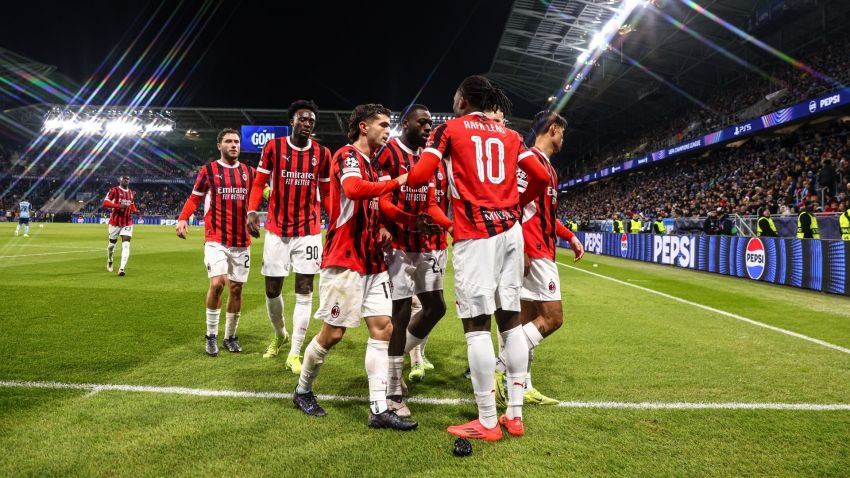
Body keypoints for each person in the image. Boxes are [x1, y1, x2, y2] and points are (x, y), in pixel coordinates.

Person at [406, 75, 550, 440]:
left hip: (476, 235)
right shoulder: (511, 135)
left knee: (476, 327)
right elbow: (540, 178)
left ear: (462, 100)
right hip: (511, 232)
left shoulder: (449, 129)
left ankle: (487, 420)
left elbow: (419, 177)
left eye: (455, 97)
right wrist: (515, 204)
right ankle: (514, 415)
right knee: (511, 324)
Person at [292, 103, 417, 431]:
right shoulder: (347, 156)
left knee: (383, 328)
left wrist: (396, 223)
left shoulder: (375, 166)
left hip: (373, 261)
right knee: (333, 333)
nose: (388, 130)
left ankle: (378, 409)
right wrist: (399, 181)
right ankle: (302, 390)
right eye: (383, 124)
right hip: (345, 259)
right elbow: (353, 189)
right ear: (364, 126)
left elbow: (379, 203)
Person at [495, 110, 584, 407]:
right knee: (553, 318)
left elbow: (546, 214)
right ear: (553, 129)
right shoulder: (529, 161)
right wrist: (520, 248)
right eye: (563, 133)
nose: (563, 140)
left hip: (540, 247)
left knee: (525, 322)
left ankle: (523, 385)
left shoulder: (549, 168)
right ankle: (497, 366)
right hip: (534, 250)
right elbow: (514, 207)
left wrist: (569, 236)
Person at [246, 100, 332, 374]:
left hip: (309, 231)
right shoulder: (274, 147)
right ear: (291, 121)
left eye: (311, 121)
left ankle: (295, 352)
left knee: (304, 289)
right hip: (277, 230)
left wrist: (334, 221)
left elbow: (327, 191)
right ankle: (280, 334)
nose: (307, 123)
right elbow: (259, 182)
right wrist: (251, 210)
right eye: (302, 119)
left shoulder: (322, 153)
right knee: (272, 290)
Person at [375, 104, 449, 417]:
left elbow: (430, 202)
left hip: (424, 243)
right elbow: (382, 199)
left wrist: (450, 226)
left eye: (430, 123)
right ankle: (393, 390)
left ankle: (390, 363)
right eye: (422, 122)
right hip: (398, 245)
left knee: (436, 307)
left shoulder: (426, 159)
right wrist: (409, 221)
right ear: (405, 123)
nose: (428, 127)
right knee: (402, 312)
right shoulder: (389, 152)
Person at [176, 128, 254, 356]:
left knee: (236, 289)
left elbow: (263, 193)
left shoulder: (248, 172)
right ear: (219, 146)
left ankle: (230, 337)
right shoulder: (209, 170)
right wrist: (183, 218)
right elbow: (195, 197)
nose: (234, 145)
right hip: (216, 238)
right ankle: (211, 336)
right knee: (218, 283)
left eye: (236, 141)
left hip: (241, 241)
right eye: (229, 141)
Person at [102, 175, 138, 276]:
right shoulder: (114, 190)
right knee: (111, 246)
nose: (126, 180)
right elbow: (105, 203)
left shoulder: (131, 192)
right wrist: (118, 206)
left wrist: (136, 211)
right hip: (115, 222)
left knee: (126, 245)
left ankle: (121, 269)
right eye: (124, 179)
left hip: (127, 222)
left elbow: (131, 204)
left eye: (128, 179)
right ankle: (110, 260)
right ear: (120, 180)